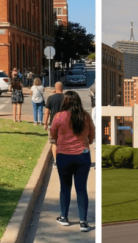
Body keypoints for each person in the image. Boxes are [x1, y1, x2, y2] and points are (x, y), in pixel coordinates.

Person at [48, 91, 94, 232]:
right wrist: (85, 141)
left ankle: (64, 217)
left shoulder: (59, 116)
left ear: (65, 102)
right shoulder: (85, 116)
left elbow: (52, 134)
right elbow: (92, 135)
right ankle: (83, 222)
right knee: (81, 189)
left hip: (64, 155)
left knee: (65, 187)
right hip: (83, 156)